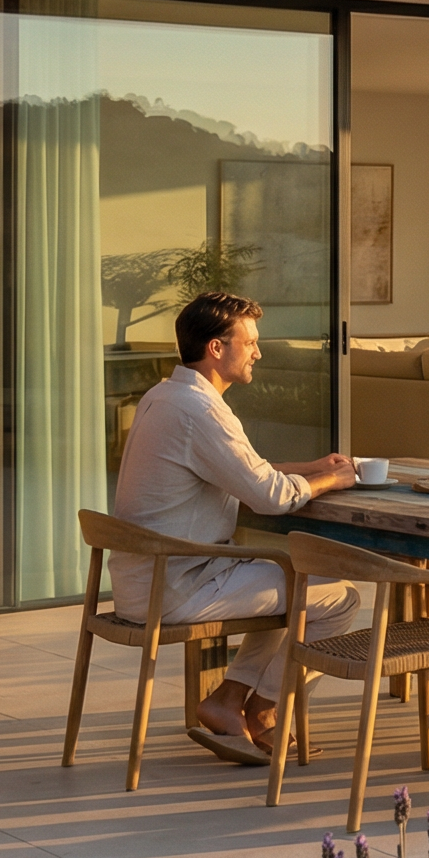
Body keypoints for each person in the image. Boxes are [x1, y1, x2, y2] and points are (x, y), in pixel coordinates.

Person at [111, 292, 365, 766]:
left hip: (145, 580)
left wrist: (311, 466)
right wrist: (335, 478)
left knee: (287, 581)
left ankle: (229, 701)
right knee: (336, 593)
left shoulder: (165, 396)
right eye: (249, 342)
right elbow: (270, 496)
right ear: (216, 348)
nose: (258, 352)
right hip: (176, 587)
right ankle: (264, 707)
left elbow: (242, 471)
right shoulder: (201, 411)